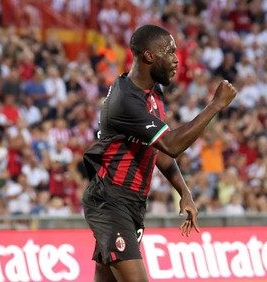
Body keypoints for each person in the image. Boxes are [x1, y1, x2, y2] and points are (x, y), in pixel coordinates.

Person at [82, 24, 237, 282]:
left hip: (131, 204)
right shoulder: (125, 99)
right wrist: (215, 105)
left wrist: (184, 193)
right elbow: (172, 145)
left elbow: (161, 151)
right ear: (150, 56)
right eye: (170, 52)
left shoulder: (152, 93)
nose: (177, 59)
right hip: (111, 201)